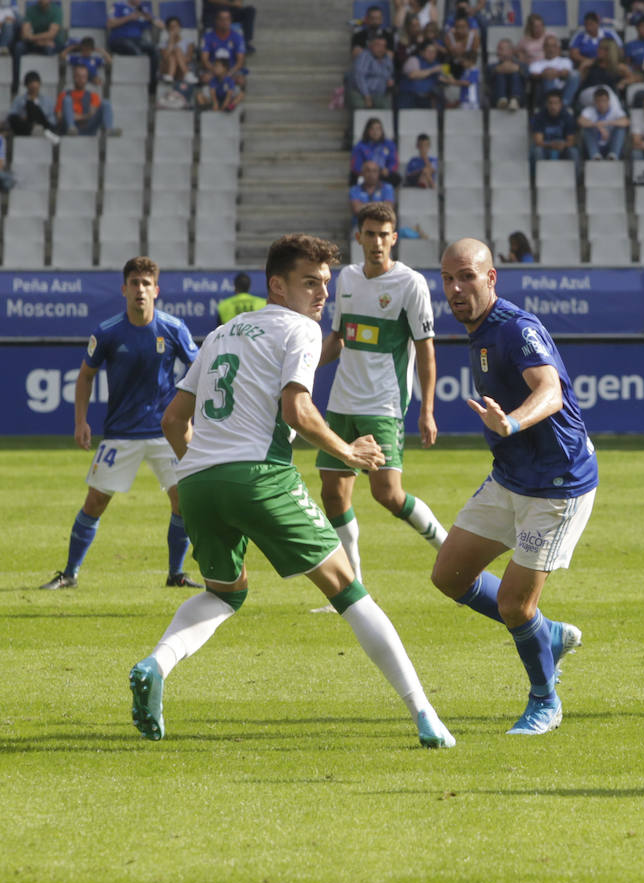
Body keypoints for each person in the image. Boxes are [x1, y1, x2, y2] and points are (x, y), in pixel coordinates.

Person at [127, 233, 454, 749]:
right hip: (260, 476)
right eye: (309, 282)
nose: (322, 293)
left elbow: (174, 420)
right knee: (349, 590)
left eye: (325, 282)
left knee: (224, 593)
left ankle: (156, 663)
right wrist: (348, 453)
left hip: (197, 484)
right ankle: (425, 714)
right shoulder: (300, 329)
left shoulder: (220, 334)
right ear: (277, 285)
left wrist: (204, 471)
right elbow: (297, 411)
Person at [430, 238, 598, 736]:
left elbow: (549, 388)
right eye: (448, 280)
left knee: (514, 605)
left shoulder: (515, 328)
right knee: (449, 577)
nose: (456, 289)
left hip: (557, 483)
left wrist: (514, 423)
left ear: (491, 277)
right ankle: (547, 633)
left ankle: (545, 701)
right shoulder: (478, 329)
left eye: (467, 277)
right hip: (511, 477)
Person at [306, 203, 447, 613]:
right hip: (341, 404)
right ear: (360, 237)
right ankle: (353, 588)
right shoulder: (347, 278)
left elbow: (425, 350)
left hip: (383, 404)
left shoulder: (410, 284)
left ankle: (445, 545)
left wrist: (427, 410)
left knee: (387, 494)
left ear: (394, 238)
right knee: (332, 493)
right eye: (370, 234)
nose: (377, 242)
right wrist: (305, 368)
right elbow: (337, 338)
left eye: (384, 234)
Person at [41, 256, 200, 591]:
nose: (140, 289)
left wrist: (190, 415)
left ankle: (176, 574)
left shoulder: (173, 329)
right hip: (121, 433)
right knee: (95, 502)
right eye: (134, 283)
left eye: (146, 284)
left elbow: (200, 369)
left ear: (156, 290)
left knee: (183, 501)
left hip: (164, 432)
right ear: (124, 289)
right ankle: (69, 573)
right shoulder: (108, 332)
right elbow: (85, 376)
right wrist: (80, 421)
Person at [57, 64, 117, 136]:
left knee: (106, 103)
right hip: (69, 129)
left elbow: (92, 115)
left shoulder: (93, 96)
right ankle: (71, 128)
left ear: (87, 78)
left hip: (88, 128)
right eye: (78, 76)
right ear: (74, 77)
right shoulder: (63, 95)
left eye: (83, 76)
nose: (80, 79)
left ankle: (109, 130)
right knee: (67, 100)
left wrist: (73, 116)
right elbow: (59, 117)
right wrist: (84, 116)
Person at [529, 33, 580, 109]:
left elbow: (566, 72)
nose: (550, 49)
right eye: (548, 46)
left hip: (563, 92)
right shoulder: (536, 64)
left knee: (575, 74)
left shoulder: (565, 61)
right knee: (547, 76)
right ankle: (553, 105)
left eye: (553, 46)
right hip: (545, 96)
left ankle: (563, 106)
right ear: (544, 48)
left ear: (558, 48)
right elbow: (533, 75)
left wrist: (552, 72)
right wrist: (545, 74)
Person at [6, 70, 59, 142]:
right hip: (27, 126)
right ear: (26, 85)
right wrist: (23, 118)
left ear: (39, 84)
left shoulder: (47, 100)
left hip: (44, 126)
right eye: (30, 83)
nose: (33, 86)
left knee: (30, 104)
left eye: (35, 82)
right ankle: (33, 129)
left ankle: (39, 130)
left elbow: (51, 120)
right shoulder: (19, 99)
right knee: (13, 118)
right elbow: (11, 116)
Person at [579, 86, 630, 160]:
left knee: (620, 129)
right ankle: (595, 156)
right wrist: (597, 125)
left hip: (610, 143)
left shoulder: (616, 110)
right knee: (587, 129)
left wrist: (606, 123)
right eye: (599, 101)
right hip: (595, 144)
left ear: (608, 101)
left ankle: (613, 156)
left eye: (604, 100)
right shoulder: (589, 110)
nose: (601, 104)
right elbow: (581, 121)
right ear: (595, 102)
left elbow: (626, 122)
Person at [200, 9, 246, 85]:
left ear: (231, 21)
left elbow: (240, 61)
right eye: (222, 19)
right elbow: (204, 60)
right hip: (213, 69)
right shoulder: (207, 37)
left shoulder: (238, 37)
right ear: (216, 21)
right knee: (205, 79)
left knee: (241, 80)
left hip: (232, 70)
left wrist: (229, 73)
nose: (225, 22)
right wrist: (216, 71)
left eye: (227, 19)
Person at [350, 34, 395, 109]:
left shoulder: (387, 59)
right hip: (362, 93)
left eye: (383, 46)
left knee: (387, 106)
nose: (380, 48)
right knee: (361, 107)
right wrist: (367, 96)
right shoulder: (364, 56)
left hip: (380, 94)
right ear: (371, 46)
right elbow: (359, 77)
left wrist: (389, 81)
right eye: (377, 45)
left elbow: (389, 74)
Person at [531, 90, 579, 161]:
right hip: (545, 148)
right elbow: (538, 141)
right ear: (546, 104)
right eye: (550, 103)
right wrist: (551, 145)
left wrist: (563, 145)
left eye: (556, 103)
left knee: (573, 152)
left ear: (561, 104)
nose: (553, 106)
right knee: (537, 151)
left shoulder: (568, 117)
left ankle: (576, 172)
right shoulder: (539, 117)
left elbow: (571, 141)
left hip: (563, 149)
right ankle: (537, 172)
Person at [351, 117, 401, 186]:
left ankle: (386, 194)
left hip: (382, 174)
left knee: (396, 178)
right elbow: (356, 165)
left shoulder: (389, 144)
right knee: (354, 178)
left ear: (382, 130)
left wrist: (388, 170)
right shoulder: (360, 146)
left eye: (378, 129)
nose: (375, 132)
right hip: (366, 175)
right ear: (367, 131)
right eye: (372, 129)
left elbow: (394, 162)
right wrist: (367, 171)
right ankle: (360, 195)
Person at [488, 37, 526, 111]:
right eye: (498, 49)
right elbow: (488, 80)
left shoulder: (523, 65)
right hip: (495, 98)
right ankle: (502, 99)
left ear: (510, 51)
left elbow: (527, 78)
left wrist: (517, 69)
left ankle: (515, 99)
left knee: (515, 74)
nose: (498, 52)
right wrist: (512, 68)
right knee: (500, 72)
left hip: (521, 98)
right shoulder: (491, 66)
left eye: (501, 49)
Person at [158, 15, 197, 85]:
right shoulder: (163, 44)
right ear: (168, 29)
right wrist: (171, 41)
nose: (174, 29)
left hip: (181, 69)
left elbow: (188, 59)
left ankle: (171, 75)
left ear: (180, 27)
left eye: (176, 26)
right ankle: (186, 74)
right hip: (166, 69)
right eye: (171, 27)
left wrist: (177, 56)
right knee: (172, 55)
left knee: (177, 50)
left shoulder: (189, 42)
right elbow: (165, 58)